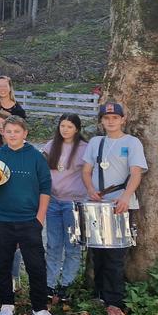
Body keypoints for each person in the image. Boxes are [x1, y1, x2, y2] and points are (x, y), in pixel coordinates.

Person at [0, 116, 67, 315]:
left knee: (36, 265)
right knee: (3, 263)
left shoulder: (36, 157)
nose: (13, 135)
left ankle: (39, 308)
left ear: (25, 133)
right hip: (1, 220)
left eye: (17, 131)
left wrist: (39, 219)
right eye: (9, 131)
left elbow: (45, 188)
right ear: (3, 133)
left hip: (29, 220)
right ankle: (7, 303)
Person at [81, 102, 147, 315]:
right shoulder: (96, 142)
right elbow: (86, 170)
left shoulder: (131, 143)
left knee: (116, 256)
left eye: (115, 117)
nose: (111, 121)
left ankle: (114, 303)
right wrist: (90, 189)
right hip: (98, 205)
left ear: (123, 119)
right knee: (97, 252)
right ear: (101, 120)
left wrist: (126, 197)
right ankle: (100, 293)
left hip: (120, 205)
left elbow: (136, 173)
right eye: (106, 117)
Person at [42, 113, 88, 302]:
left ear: (76, 128)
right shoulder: (51, 146)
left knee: (73, 246)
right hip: (53, 201)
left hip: (74, 203)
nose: (65, 130)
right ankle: (50, 283)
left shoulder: (85, 149)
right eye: (62, 126)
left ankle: (66, 283)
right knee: (53, 244)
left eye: (69, 126)